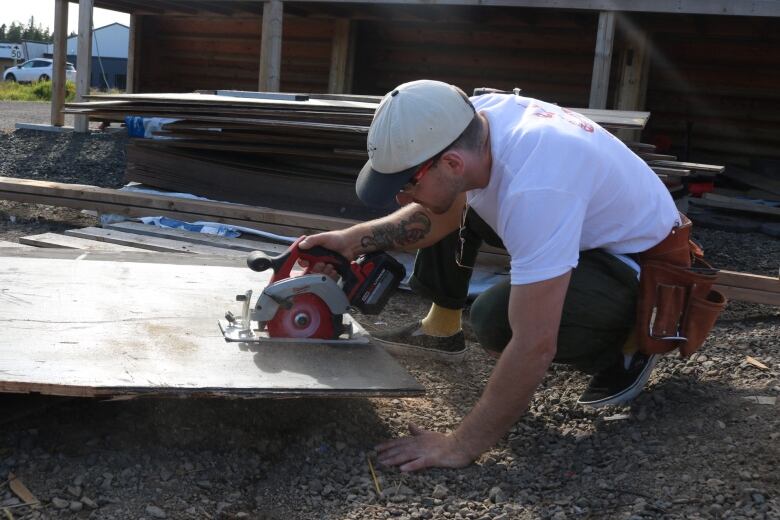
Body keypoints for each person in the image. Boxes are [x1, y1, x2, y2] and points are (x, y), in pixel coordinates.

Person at [299, 79, 688, 472]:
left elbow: (535, 344)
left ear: (451, 163)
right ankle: (443, 324)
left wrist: (459, 445)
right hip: (590, 229)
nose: (401, 197)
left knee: (497, 321)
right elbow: (440, 211)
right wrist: (351, 241)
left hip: (643, 270)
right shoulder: (471, 119)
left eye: (406, 184)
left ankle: (629, 345)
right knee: (447, 200)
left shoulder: (538, 187)